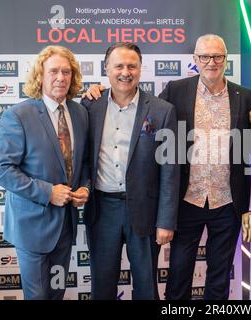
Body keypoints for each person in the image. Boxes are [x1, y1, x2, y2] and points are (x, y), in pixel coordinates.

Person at [159, 34, 251, 300]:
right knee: (179, 272)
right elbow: (146, 113)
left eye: (218, 56)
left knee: (219, 276)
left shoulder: (247, 97)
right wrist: (101, 92)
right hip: (186, 199)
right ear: (195, 60)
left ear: (226, 60)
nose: (211, 62)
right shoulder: (175, 90)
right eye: (205, 56)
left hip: (227, 202)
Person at [80, 42, 179, 300]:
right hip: (102, 209)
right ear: (107, 69)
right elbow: (83, 159)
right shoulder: (89, 106)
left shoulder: (162, 110)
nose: (126, 72)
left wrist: (166, 220)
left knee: (147, 287)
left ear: (140, 69)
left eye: (132, 66)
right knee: (101, 286)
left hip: (145, 210)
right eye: (119, 65)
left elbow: (170, 170)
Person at [0, 45, 89, 299]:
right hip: (31, 227)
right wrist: (48, 193)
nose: (61, 77)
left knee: (57, 293)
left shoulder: (80, 113)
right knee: (37, 296)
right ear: (40, 76)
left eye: (66, 72)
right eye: (53, 71)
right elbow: (1, 169)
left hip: (65, 227)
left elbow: (85, 162)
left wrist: (85, 187)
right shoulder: (18, 115)